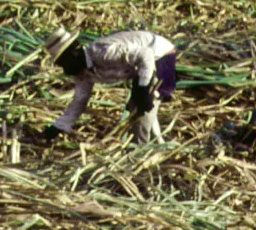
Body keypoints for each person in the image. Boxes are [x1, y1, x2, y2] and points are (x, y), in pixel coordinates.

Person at [40, 28, 178, 144]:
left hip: (159, 54)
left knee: (141, 107)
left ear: (73, 54)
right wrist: (57, 127)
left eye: (63, 63)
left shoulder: (103, 52)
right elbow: (79, 101)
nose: (64, 70)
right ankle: (158, 146)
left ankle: (140, 152)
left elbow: (145, 54)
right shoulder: (83, 73)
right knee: (140, 106)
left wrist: (143, 87)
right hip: (143, 65)